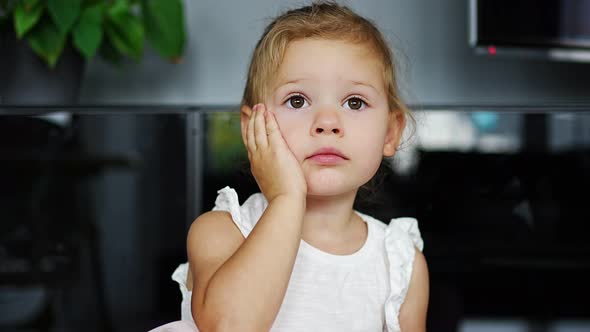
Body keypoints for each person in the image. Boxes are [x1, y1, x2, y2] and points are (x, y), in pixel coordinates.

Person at [171, 2, 429, 331]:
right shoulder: (223, 232)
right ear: (253, 127)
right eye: (297, 100)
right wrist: (287, 198)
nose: (327, 122)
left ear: (390, 132)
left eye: (354, 102)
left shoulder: (400, 264)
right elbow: (229, 325)